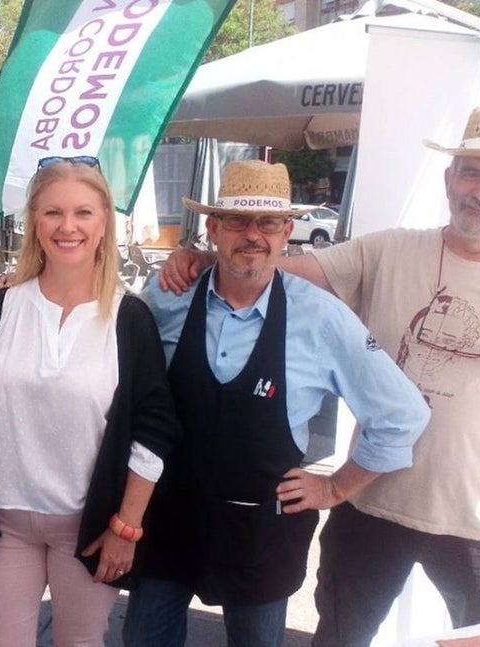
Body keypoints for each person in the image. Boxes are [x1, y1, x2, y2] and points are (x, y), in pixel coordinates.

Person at [158, 105, 480, 643]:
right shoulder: (390, 250)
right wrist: (200, 258)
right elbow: (273, 268)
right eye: (473, 173)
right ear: (449, 180)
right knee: (339, 637)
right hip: (373, 509)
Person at [124, 160, 429, 647]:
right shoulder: (167, 300)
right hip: (169, 521)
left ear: (287, 231)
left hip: (261, 533)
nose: (253, 235)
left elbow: (402, 415)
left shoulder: (322, 317)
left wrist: (335, 488)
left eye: (267, 222)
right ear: (213, 228)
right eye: (238, 220)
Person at [0, 157, 181, 646]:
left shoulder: (128, 318)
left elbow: (154, 430)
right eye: (53, 212)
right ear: (34, 221)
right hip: (5, 520)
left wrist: (127, 526)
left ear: (103, 226)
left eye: (83, 213)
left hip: (90, 527)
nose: (67, 226)